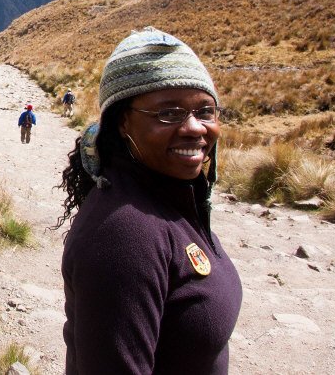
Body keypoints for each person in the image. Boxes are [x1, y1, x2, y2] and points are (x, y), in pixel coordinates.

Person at [57, 27, 241, 375]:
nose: (194, 127)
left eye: (205, 111)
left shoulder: (171, 197)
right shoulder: (125, 235)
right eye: (168, 113)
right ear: (123, 122)